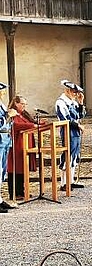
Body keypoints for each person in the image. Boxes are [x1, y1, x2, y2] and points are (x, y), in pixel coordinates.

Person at [7, 96, 42, 200]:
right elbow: (15, 125)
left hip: (25, 145)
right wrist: (32, 126)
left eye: (25, 104)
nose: (24, 106)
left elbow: (29, 123)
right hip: (16, 145)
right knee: (15, 169)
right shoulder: (12, 113)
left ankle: (21, 191)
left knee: (23, 169)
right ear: (16, 103)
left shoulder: (23, 114)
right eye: (22, 104)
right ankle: (14, 193)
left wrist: (39, 124)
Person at [55, 80, 86, 190]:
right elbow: (65, 118)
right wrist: (77, 125)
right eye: (74, 92)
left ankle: (71, 180)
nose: (76, 95)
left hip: (76, 131)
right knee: (67, 155)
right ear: (67, 91)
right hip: (68, 130)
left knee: (75, 156)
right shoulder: (61, 102)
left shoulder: (73, 102)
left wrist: (81, 103)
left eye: (77, 93)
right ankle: (64, 183)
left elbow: (81, 115)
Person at [0, 82, 18, 212]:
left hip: (5, 139)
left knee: (2, 171)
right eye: (2, 91)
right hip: (0, 138)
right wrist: (8, 115)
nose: (4, 93)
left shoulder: (1, 105)